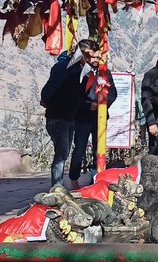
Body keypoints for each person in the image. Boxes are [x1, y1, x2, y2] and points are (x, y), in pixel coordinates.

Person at [69, 38, 118, 187]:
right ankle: (74, 177)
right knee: (80, 148)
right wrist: (88, 106)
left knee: (99, 149)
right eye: (93, 57)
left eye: (98, 57)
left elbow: (113, 93)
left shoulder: (105, 73)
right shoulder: (79, 72)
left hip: (100, 118)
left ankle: (96, 177)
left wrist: (103, 104)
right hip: (83, 117)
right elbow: (74, 96)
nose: (96, 60)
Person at [40, 44, 83, 185]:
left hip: (70, 116)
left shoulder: (81, 70)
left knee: (64, 153)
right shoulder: (64, 68)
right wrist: (47, 100)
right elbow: (49, 89)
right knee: (61, 153)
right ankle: (56, 186)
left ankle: (57, 184)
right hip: (58, 116)